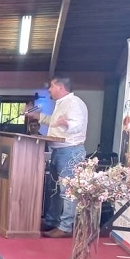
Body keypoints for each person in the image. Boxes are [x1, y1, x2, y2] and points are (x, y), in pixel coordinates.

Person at [33, 76, 88, 238]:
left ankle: (65, 227)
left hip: (70, 151)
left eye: (51, 86)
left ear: (61, 87)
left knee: (67, 191)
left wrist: (67, 124)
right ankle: (52, 221)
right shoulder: (62, 104)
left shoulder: (74, 103)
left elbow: (77, 124)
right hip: (58, 151)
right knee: (54, 189)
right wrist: (39, 117)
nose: (49, 89)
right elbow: (55, 122)